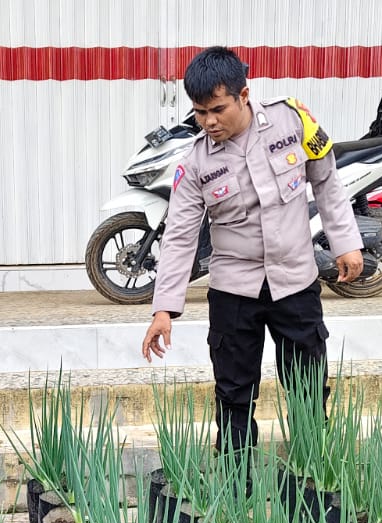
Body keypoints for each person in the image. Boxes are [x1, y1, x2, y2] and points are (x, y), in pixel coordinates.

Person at [139, 46, 363, 453]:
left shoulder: (292, 120)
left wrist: (345, 242)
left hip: (295, 282)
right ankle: (236, 494)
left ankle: (311, 478)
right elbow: (180, 236)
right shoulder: (194, 165)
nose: (208, 121)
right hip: (234, 293)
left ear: (243, 95)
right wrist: (163, 309)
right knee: (234, 397)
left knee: (308, 389)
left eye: (217, 109)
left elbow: (326, 180)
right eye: (199, 112)